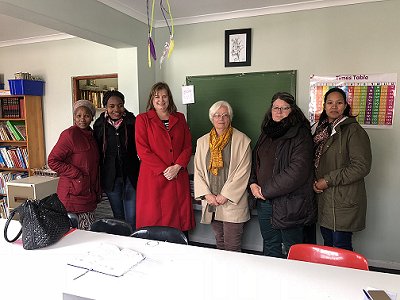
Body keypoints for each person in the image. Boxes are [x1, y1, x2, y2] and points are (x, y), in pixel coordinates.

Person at [249, 92, 316, 258]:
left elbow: (297, 171)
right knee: (270, 245)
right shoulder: (267, 132)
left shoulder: (301, 134)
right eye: (276, 108)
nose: (279, 112)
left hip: (290, 204)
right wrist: (252, 183)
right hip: (264, 202)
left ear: (292, 110)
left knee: (293, 250)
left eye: (284, 108)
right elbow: (255, 161)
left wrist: (266, 190)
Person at [313, 87, 372, 251]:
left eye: (339, 103)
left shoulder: (353, 131)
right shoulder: (322, 130)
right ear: (324, 106)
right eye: (330, 103)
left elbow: (361, 166)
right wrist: (315, 181)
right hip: (325, 199)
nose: (334, 107)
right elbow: (317, 161)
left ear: (345, 105)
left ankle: (345, 277)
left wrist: (327, 180)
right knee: (328, 246)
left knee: (341, 248)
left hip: (344, 200)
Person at [135, 82, 195, 234]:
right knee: (154, 220)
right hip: (153, 178)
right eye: (157, 96)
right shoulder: (142, 119)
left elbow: (187, 146)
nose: (161, 100)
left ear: (169, 98)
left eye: (164, 96)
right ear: (151, 99)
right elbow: (143, 150)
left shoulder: (180, 118)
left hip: (177, 175)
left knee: (178, 220)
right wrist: (164, 170)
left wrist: (177, 166)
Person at [194, 101, 251, 252]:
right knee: (219, 242)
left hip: (232, 202)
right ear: (211, 118)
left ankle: (234, 275)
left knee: (232, 246)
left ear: (230, 118)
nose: (221, 118)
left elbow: (243, 172)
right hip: (212, 201)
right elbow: (198, 170)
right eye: (217, 115)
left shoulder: (242, 140)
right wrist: (207, 195)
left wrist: (225, 195)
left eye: (225, 115)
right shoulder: (202, 142)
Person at [48, 100, 100, 230]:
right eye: (78, 116)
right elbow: (52, 161)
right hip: (72, 194)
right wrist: (76, 173)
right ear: (74, 117)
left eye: (86, 116)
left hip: (88, 193)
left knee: (88, 234)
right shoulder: (69, 135)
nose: (82, 119)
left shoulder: (92, 135)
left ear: (92, 117)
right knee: (74, 235)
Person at [93, 90, 140, 230]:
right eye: (112, 106)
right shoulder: (99, 125)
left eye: (120, 105)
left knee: (132, 217)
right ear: (106, 107)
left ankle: (134, 243)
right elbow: (96, 152)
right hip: (111, 178)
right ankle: (123, 244)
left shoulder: (133, 122)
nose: (116, 110)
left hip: (131, 176)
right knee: (118, 216)